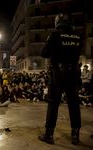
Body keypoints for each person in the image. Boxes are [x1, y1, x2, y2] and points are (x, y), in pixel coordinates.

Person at [38, 13, 83, 145]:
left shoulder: (54, 35)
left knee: (54, 104)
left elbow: (44, 53)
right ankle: (75, 136)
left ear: (57, 22)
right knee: (74, 104)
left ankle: (49, 134)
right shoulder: (78, 36)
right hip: (73, 73)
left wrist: (55, 49)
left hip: (58, 73)